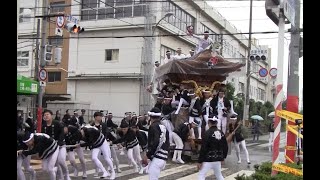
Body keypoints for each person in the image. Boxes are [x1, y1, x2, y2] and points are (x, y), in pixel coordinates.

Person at [41, 109, 71, 180]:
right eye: (45, 115)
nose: (46, 116)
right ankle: (60, 177)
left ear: (51, 115)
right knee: (55, 164)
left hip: (60, 145)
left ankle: (66, 174)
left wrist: (59, 142)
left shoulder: (57, 123)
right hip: (51, 147)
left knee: (61, 160)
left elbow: (62, 133)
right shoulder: (44, 126)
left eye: (48, 114)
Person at [142, 107, 170, 180]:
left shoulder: (153, 126)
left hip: (157, 157)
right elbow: (168, 143)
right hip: (163, 158)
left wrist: (148, 155)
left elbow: (156, 142)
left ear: (150, 117)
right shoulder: (164, 127)